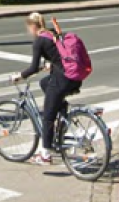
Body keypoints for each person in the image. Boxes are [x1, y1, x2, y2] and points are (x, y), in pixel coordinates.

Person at [11, 11, 78, 166]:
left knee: (47, 117)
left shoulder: (39, 41)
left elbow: (33, 68)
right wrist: (50, 64)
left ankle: (45, 155)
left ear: (33, 26)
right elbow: (59, 55)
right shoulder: (51, 34)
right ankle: (61, 110)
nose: (28, 30)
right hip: (73, 77)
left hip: (62, 79)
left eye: (28, 27)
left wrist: (20, 76)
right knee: (44, 83)